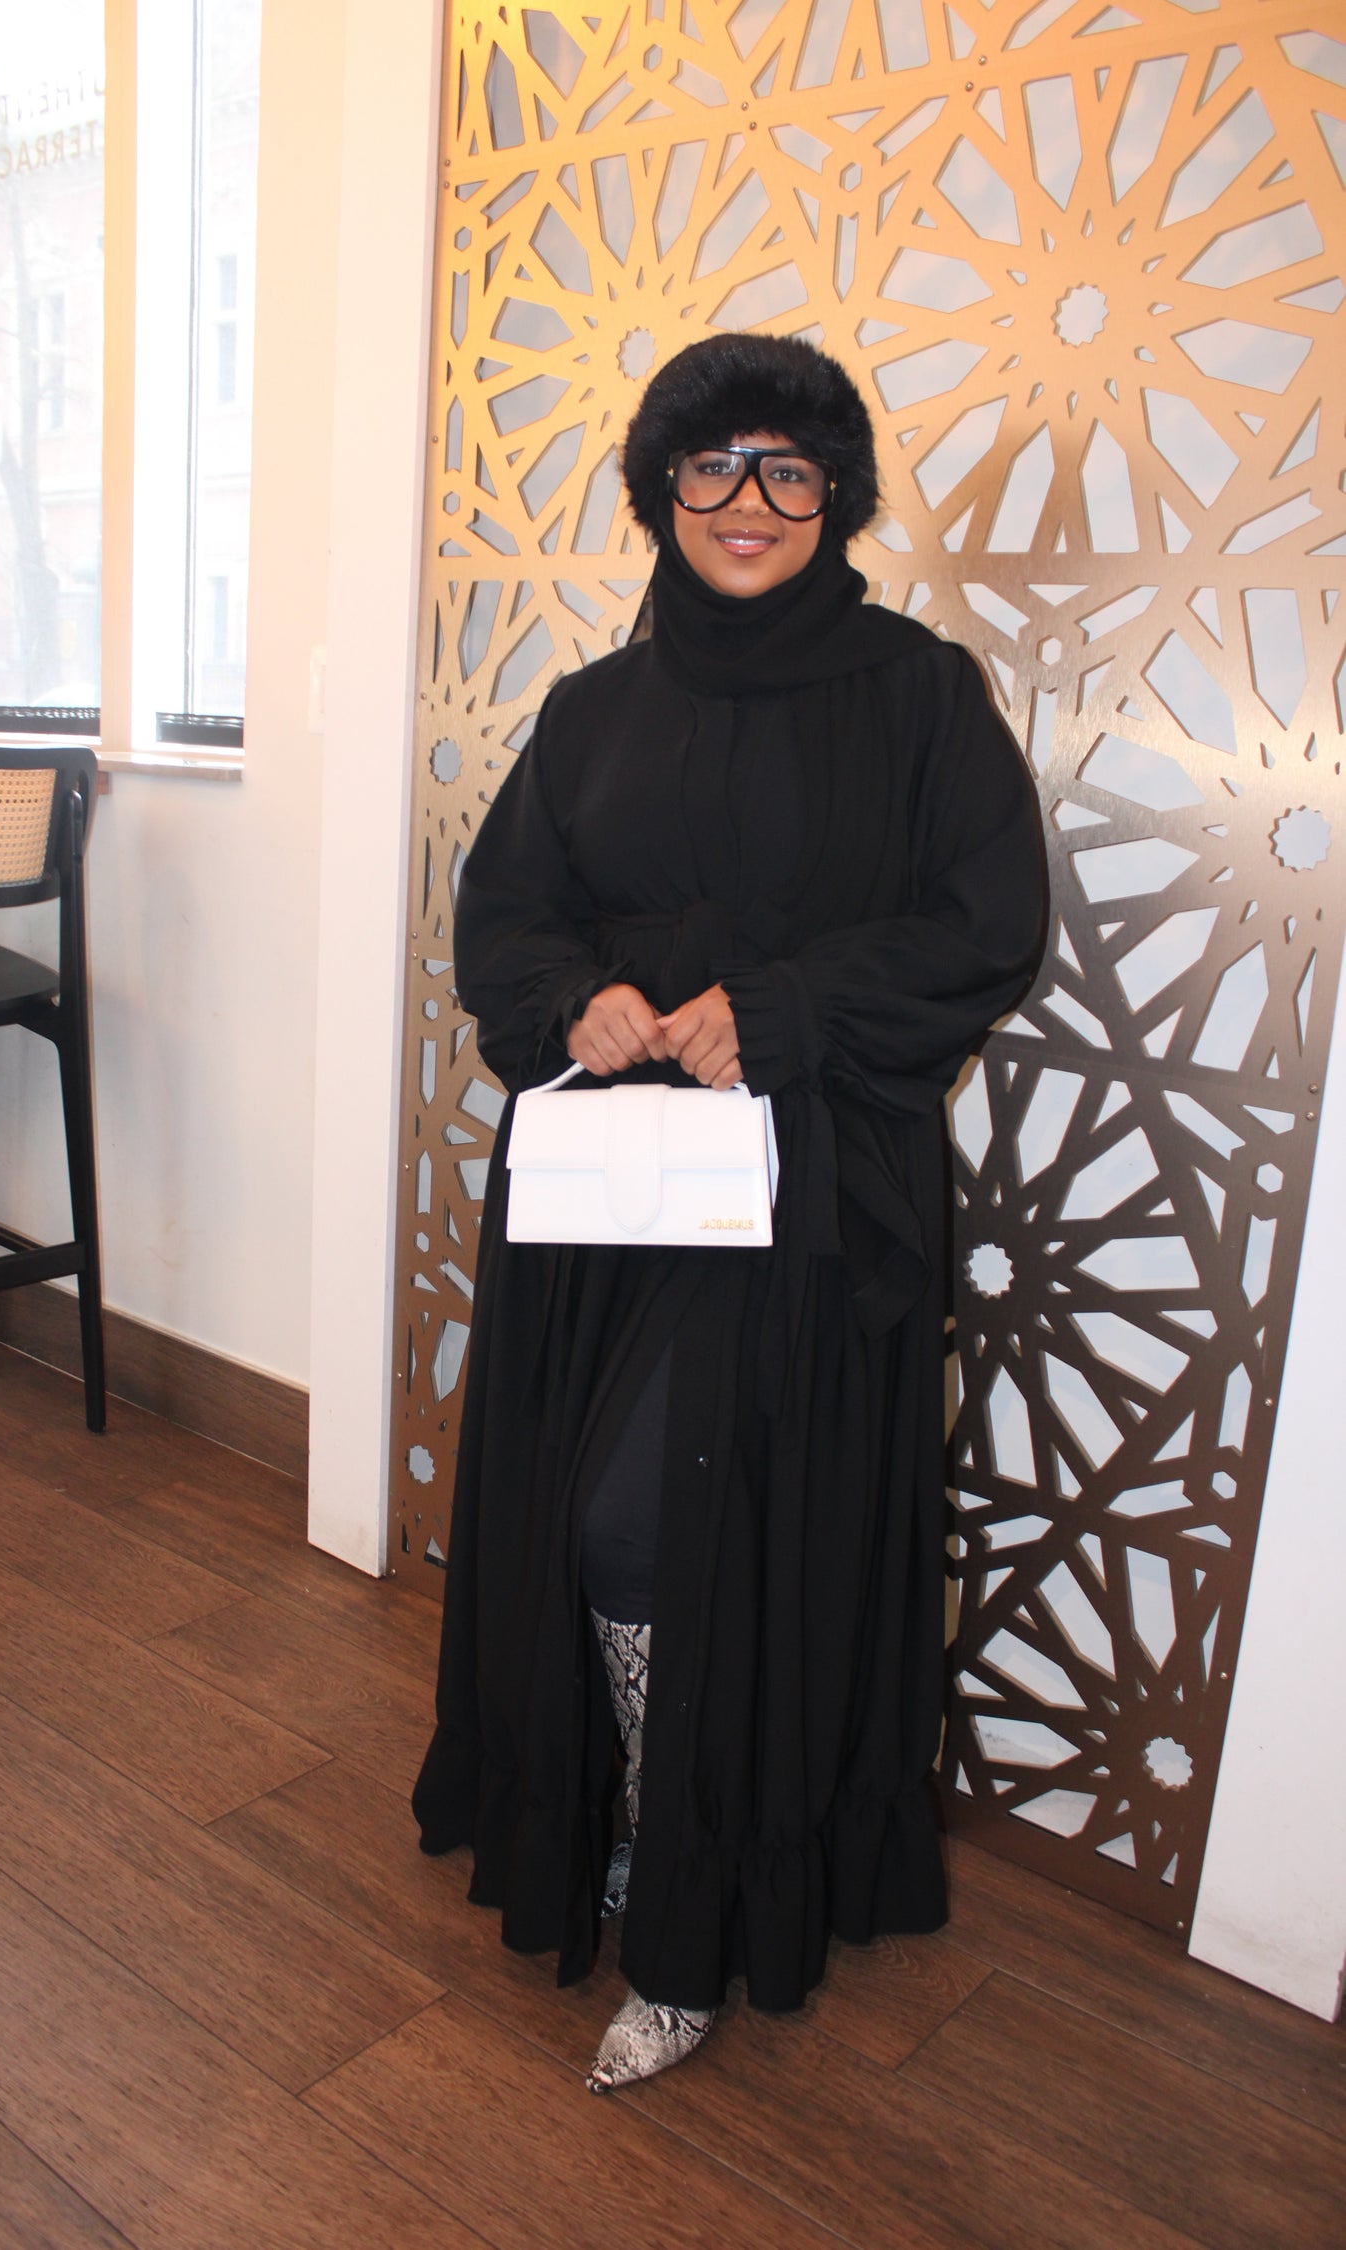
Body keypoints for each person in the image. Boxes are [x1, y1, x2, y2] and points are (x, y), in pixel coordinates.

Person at [412, 332, 1047, 2092]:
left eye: (787, 467)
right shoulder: (593, 708)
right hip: (608, 1192)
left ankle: (689, 1894)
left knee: (661, 1529)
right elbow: (504, 916)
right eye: (711, 465)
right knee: (591, 1522)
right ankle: (625, 1809)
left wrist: (782, 1009)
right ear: (662, 490)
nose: (747, 500)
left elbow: (987, 929)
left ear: (833, 495)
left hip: (811, 1203)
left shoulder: (924, 695)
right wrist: (578, 997)